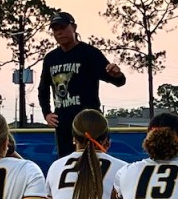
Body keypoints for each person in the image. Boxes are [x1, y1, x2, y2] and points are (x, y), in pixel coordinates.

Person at [38, 11, 126, 158]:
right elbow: (43, 88)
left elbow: (118, 81)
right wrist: (46, 113)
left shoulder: (89, 53)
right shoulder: (51, 58)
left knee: (93, 161)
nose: (59, 32)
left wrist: (117, 74)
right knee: (67, 163)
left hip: (89, 123)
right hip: (64, 124)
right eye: (55, 29)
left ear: (74, 27)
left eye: (63, 28)